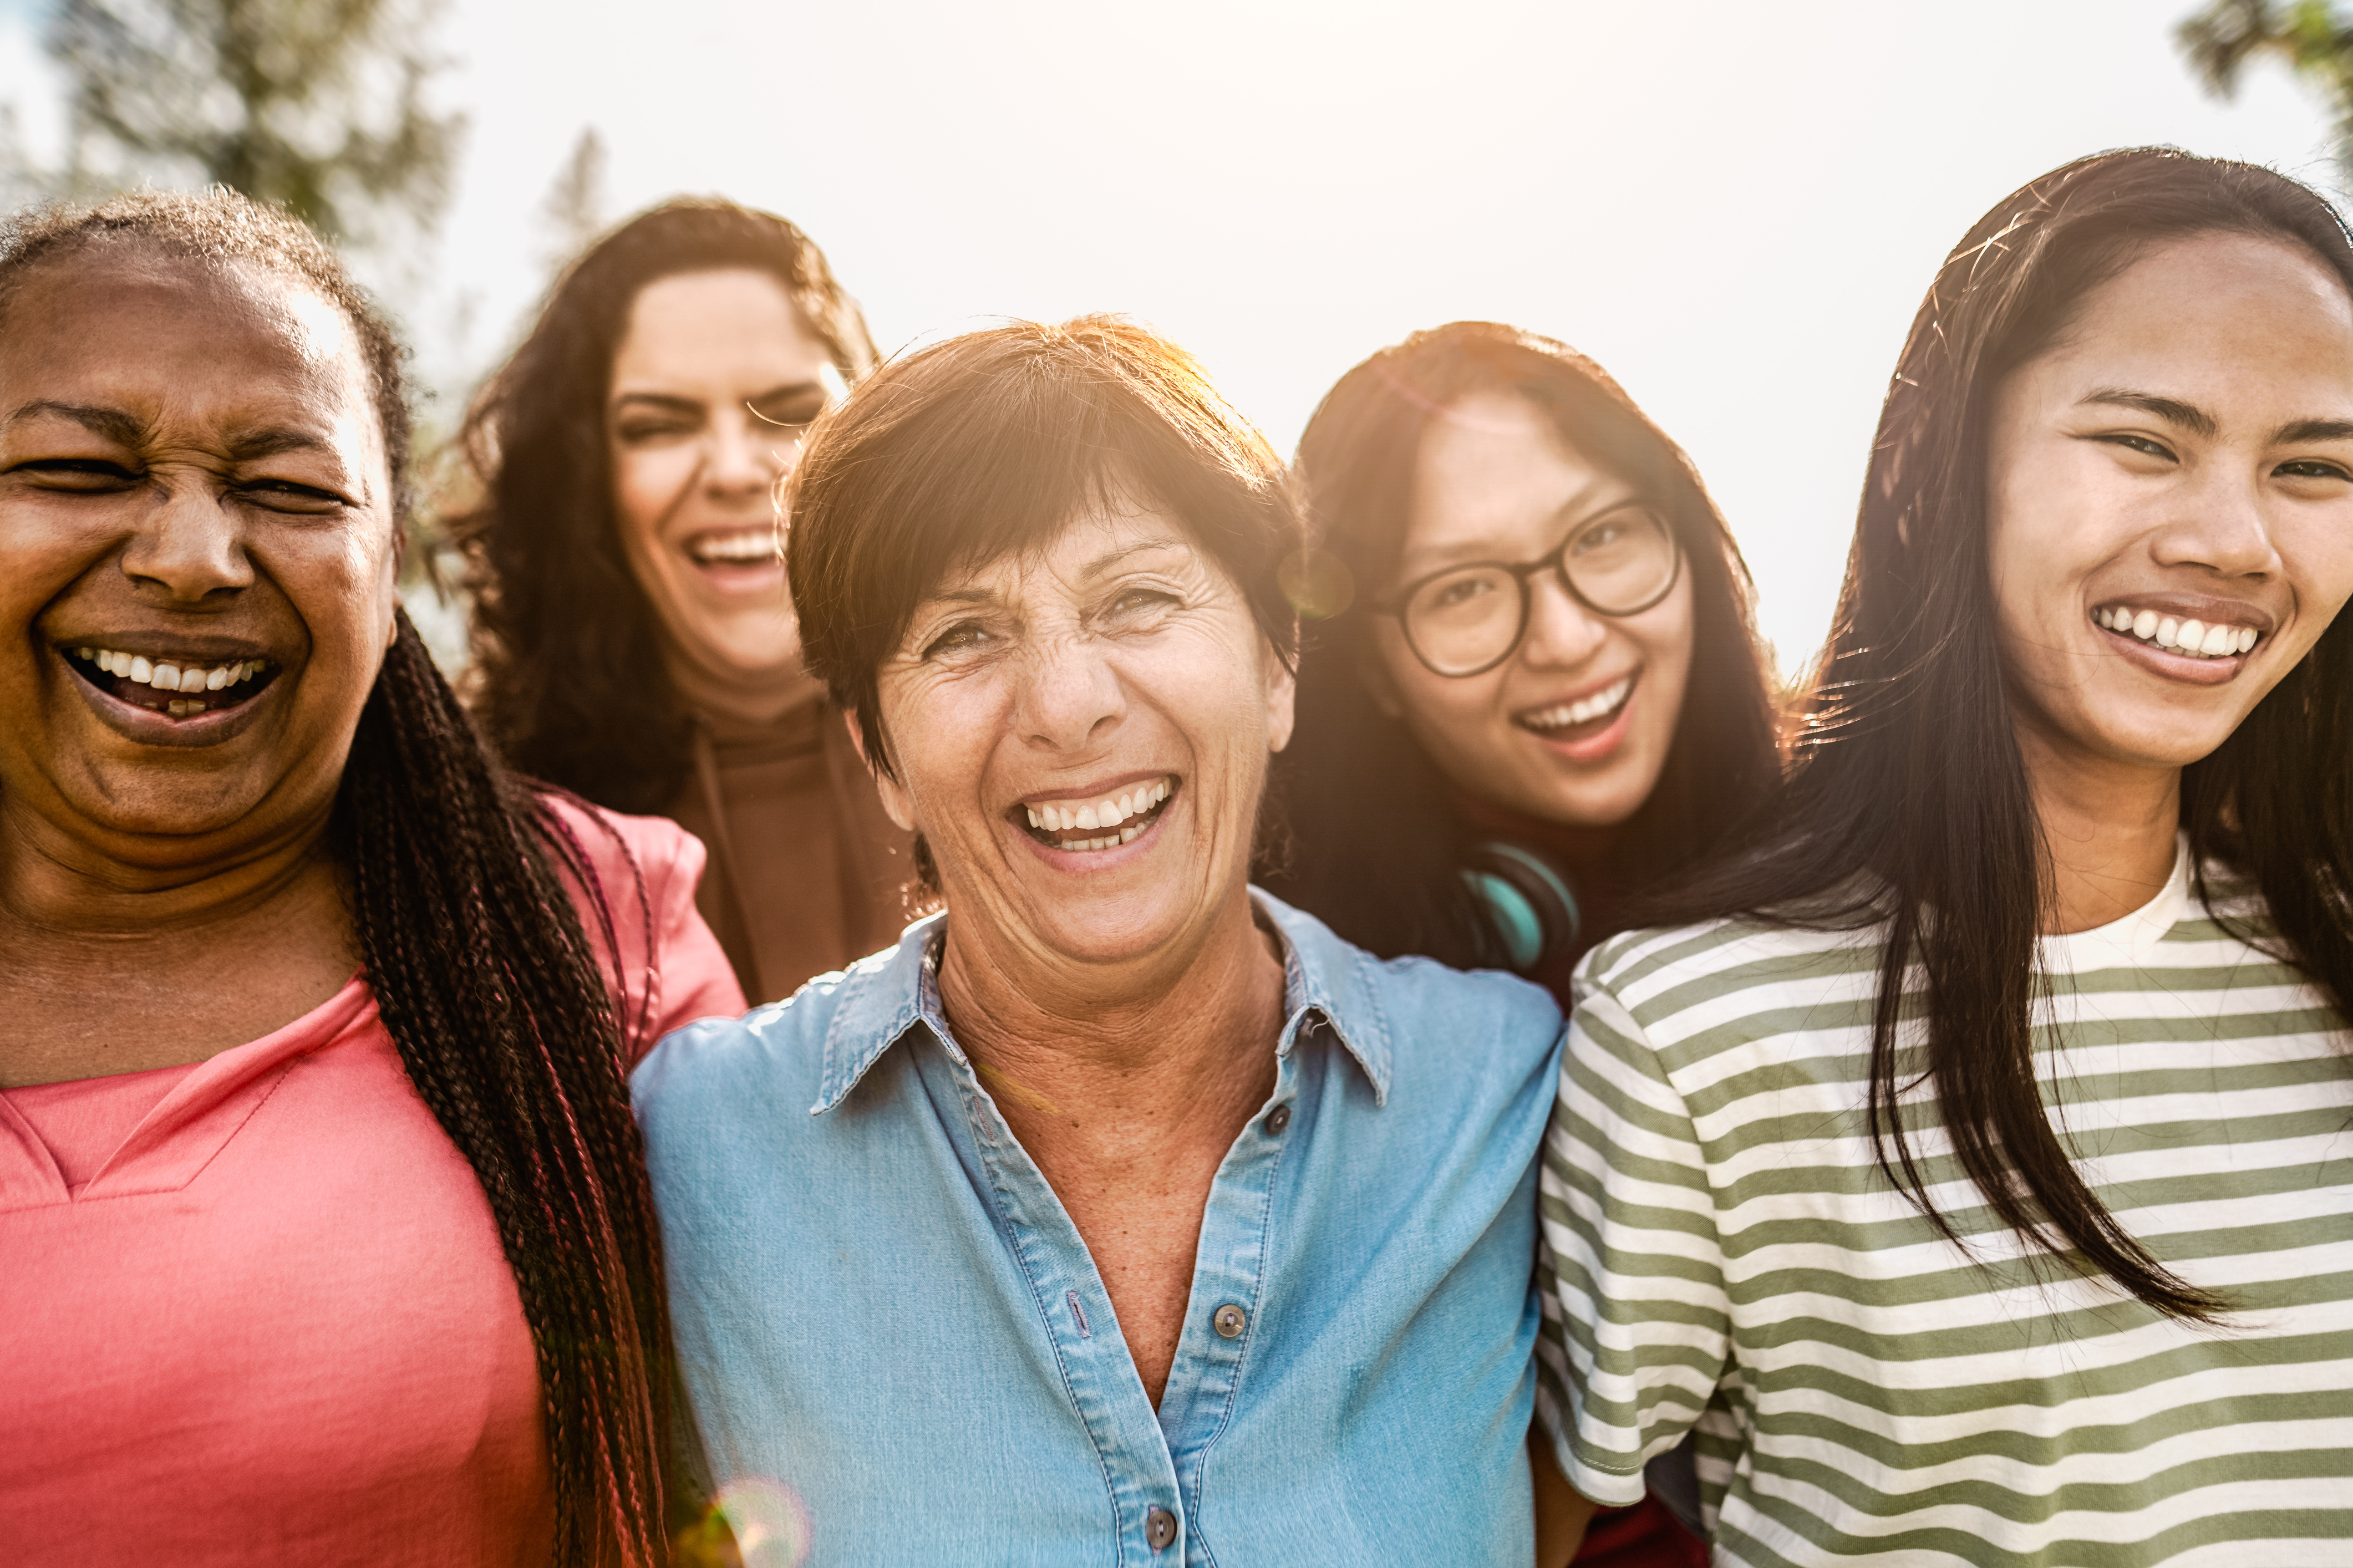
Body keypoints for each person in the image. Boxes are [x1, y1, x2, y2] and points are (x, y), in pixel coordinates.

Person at [634, 317, 1579, 1562]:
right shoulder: (691, 1146)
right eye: (963, 633)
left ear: (1279, 664)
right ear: (878, 753)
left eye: (1136, 598)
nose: (1069, 704)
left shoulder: (1509, 1090)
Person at [1536, 147, 2353, 1565]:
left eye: (2315, 467)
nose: (2233, 539)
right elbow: (1536, 1531)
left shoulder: (2331, 955)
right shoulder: (1690, 1033)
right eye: (2145, 442)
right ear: (1925, 465)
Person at [0, 191, 744, 1567]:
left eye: (288, 491)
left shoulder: (593, 934)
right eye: (81, 471)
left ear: (389, 565)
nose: (191, 557)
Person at [1262, 322, 1780, 1564]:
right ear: (1372, 668)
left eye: (1603, 537)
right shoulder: (1311, 1008)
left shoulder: (1848, 878)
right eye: (1462, 590)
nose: (1561, 635)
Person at [454, 197, 911, 1004]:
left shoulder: (1022, 753)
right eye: (660, 426)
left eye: (791, 412)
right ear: (584, 480)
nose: (735, 470)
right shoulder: (483, 827)